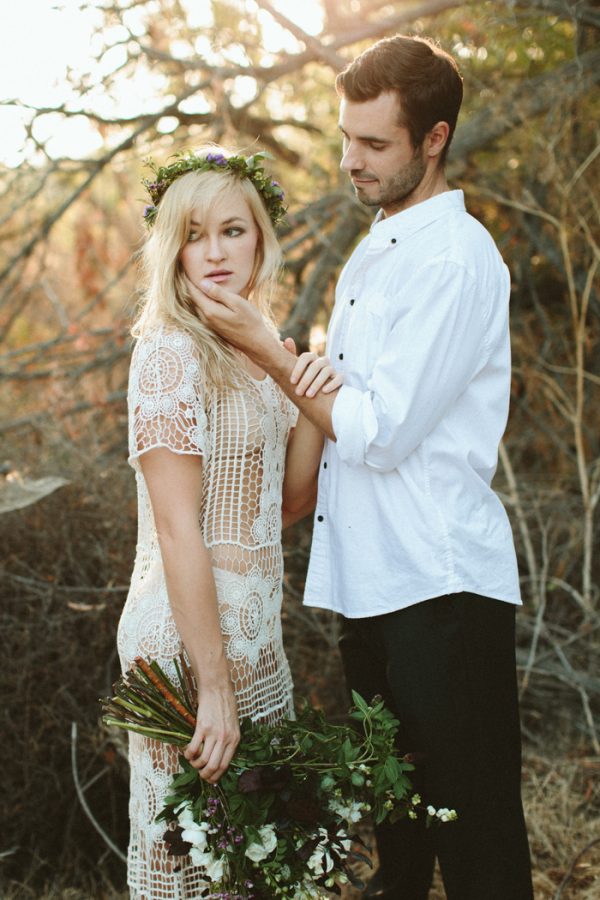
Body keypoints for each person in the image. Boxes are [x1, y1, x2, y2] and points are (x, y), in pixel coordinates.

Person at [187, 35, 534, 900]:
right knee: (402, 845)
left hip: (441, 590)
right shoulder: (375, 253)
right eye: (346, 138)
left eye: (375, 144)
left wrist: (271, 352)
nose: (351, 161)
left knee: (479, 846)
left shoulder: (455, 260)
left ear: (434, 138)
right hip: (370, 587)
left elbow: (377, 432)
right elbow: (329, 427)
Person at [116, 148, 341, 899]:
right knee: (187, 867)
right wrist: (211, 685)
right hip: (185, 650)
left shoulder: (260, 345)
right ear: (172, 247)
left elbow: (290, 502)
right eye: (195, 233)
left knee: (253, 869)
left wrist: (299, 368)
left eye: (233, 231)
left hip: (256, 642)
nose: (215, 252)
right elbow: (180, 530)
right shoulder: (168, 353)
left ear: (261, 241)